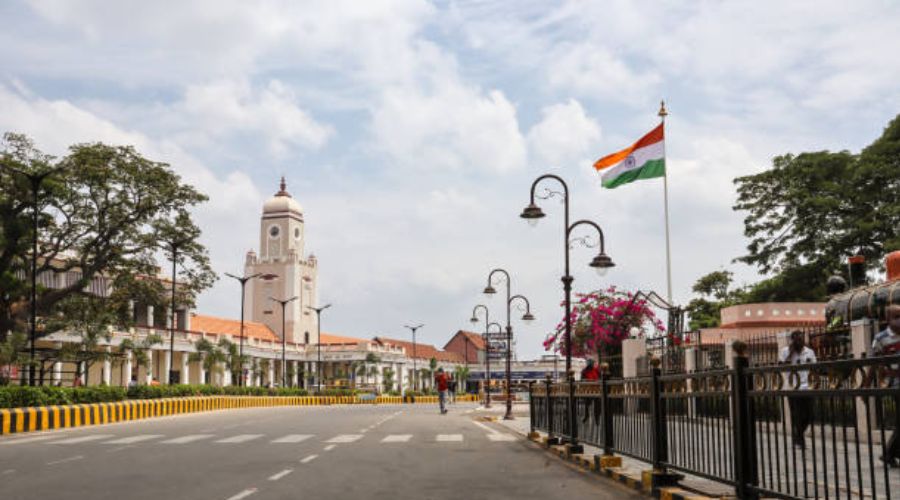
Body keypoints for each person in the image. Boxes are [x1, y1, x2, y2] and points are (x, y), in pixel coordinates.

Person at [872, 305, 900, 467]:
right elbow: (874, 363)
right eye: (896, 317)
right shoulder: (881, 338)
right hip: (895, 384)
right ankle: (889, 453)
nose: (899, 320)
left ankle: (890, 453)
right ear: (887, 320)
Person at [779, 330, 816, 449]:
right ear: (792, 340)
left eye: (801, 338)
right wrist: (790, 353)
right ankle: (800, 441)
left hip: (807, 387)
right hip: (792, 388)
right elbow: (781, 367)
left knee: (809, 415)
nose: (800, 341)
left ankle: (798, 436)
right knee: (797, 416)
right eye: (797, 339)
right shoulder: (785, 351)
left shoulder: (809, 352)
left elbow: (815, 367)